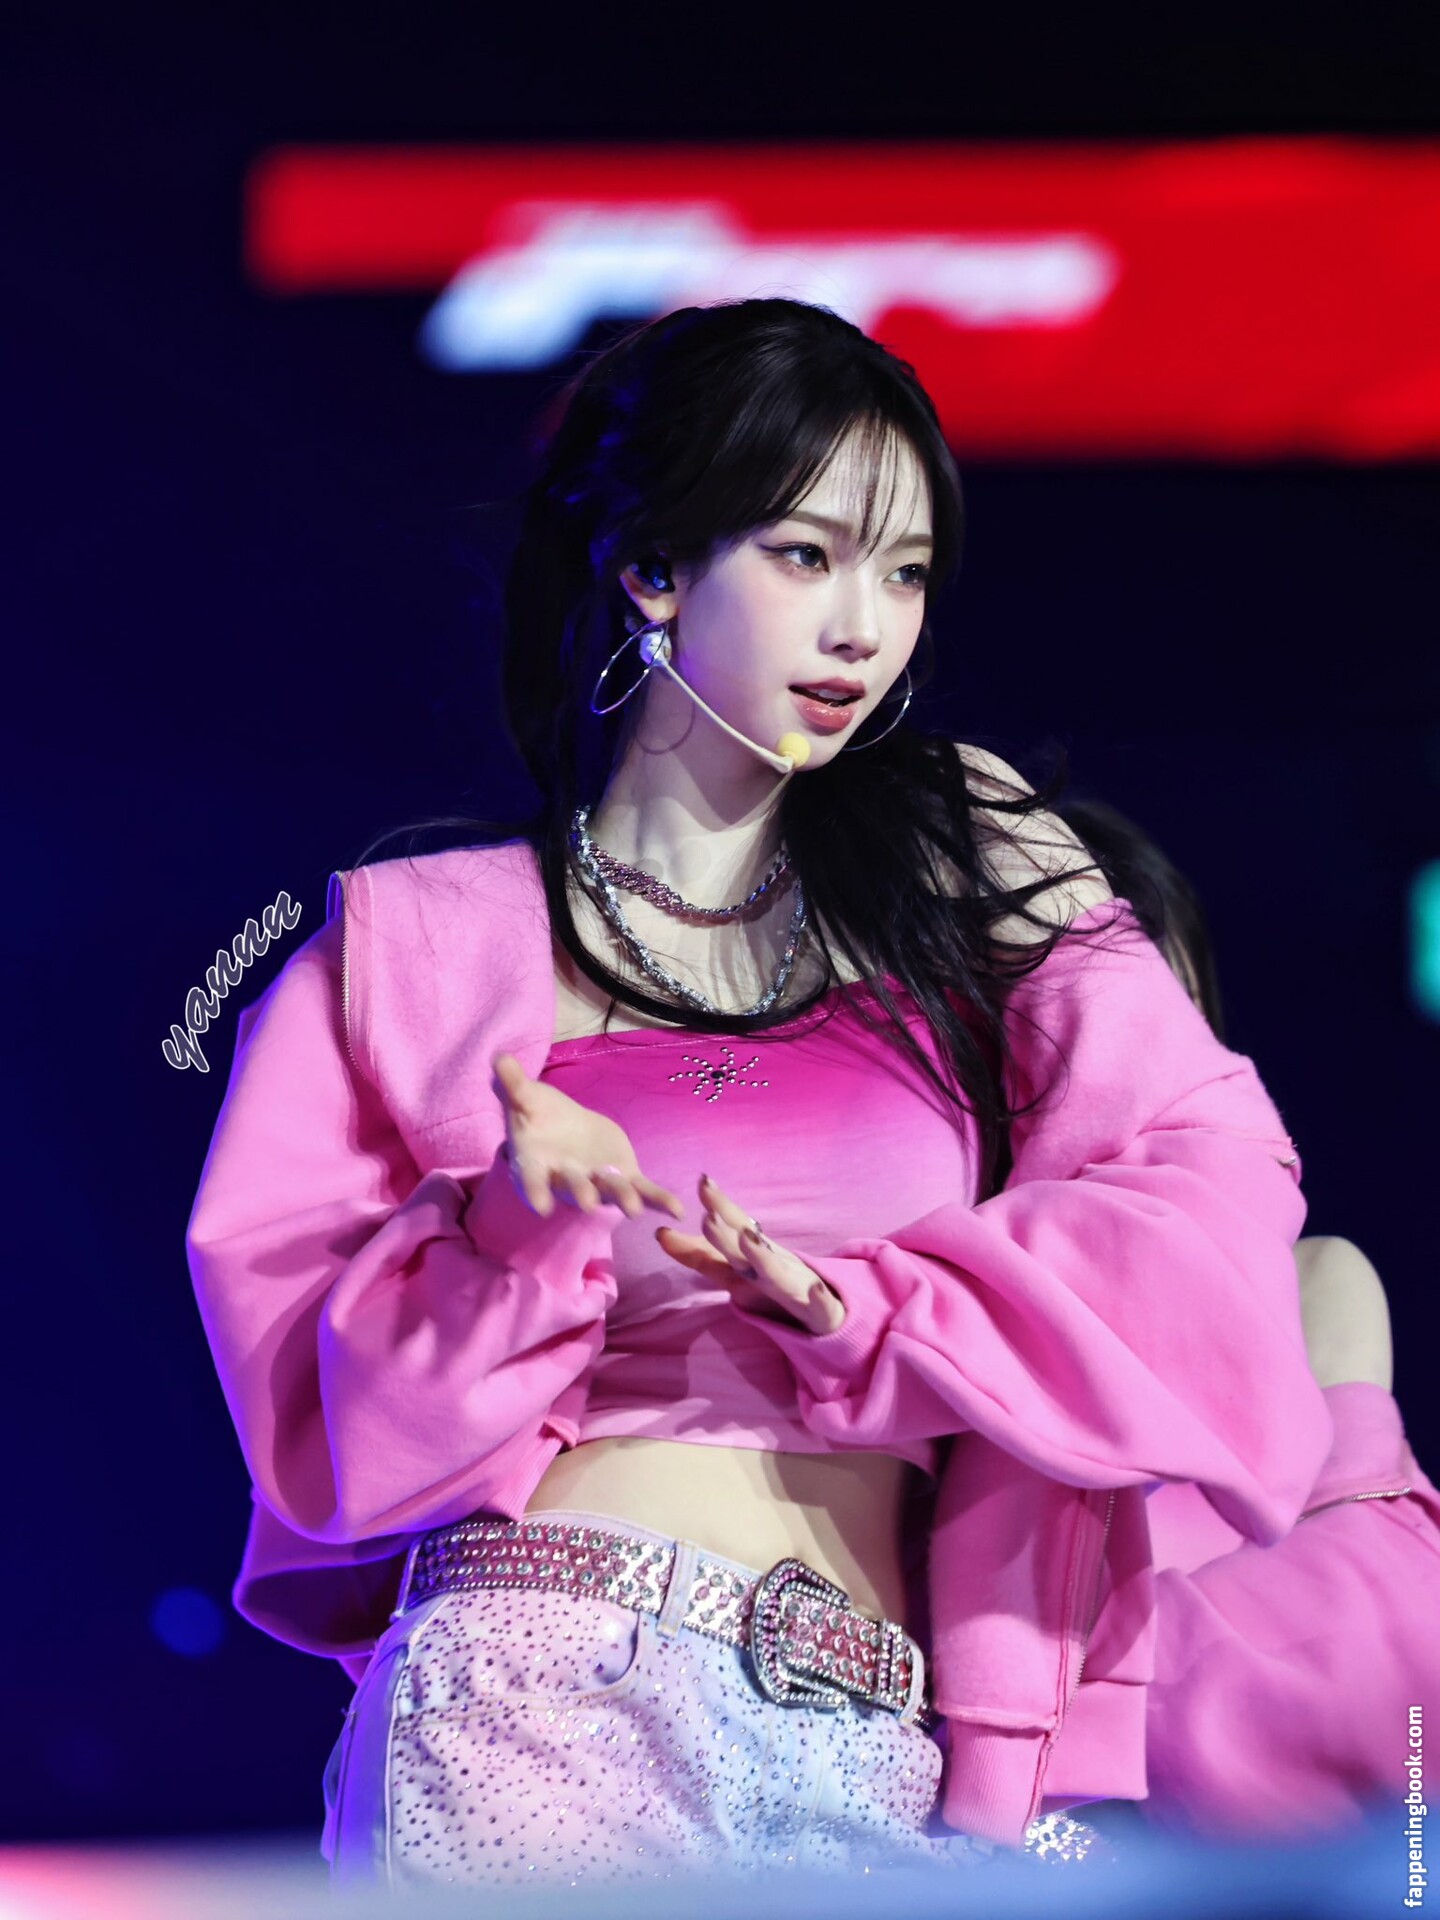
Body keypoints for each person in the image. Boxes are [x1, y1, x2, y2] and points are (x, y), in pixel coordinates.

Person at [185, 298, 1334, 1891]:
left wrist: (887, 1311)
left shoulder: (964, 885)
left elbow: (1212, 1191)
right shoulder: (416, 951)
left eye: (905, 572)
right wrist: (507, 1226)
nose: (865, 627)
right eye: (807, 556)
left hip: (885, 1743)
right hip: (546, 1687)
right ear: (653, 568)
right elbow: (323, 1435)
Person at [1059, 798, 1440, 1842]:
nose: (1120, 1076)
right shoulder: (904, 1329)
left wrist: (1037, 1720)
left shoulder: (1310, 1286)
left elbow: (1381, 1636)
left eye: (1163, 1025)